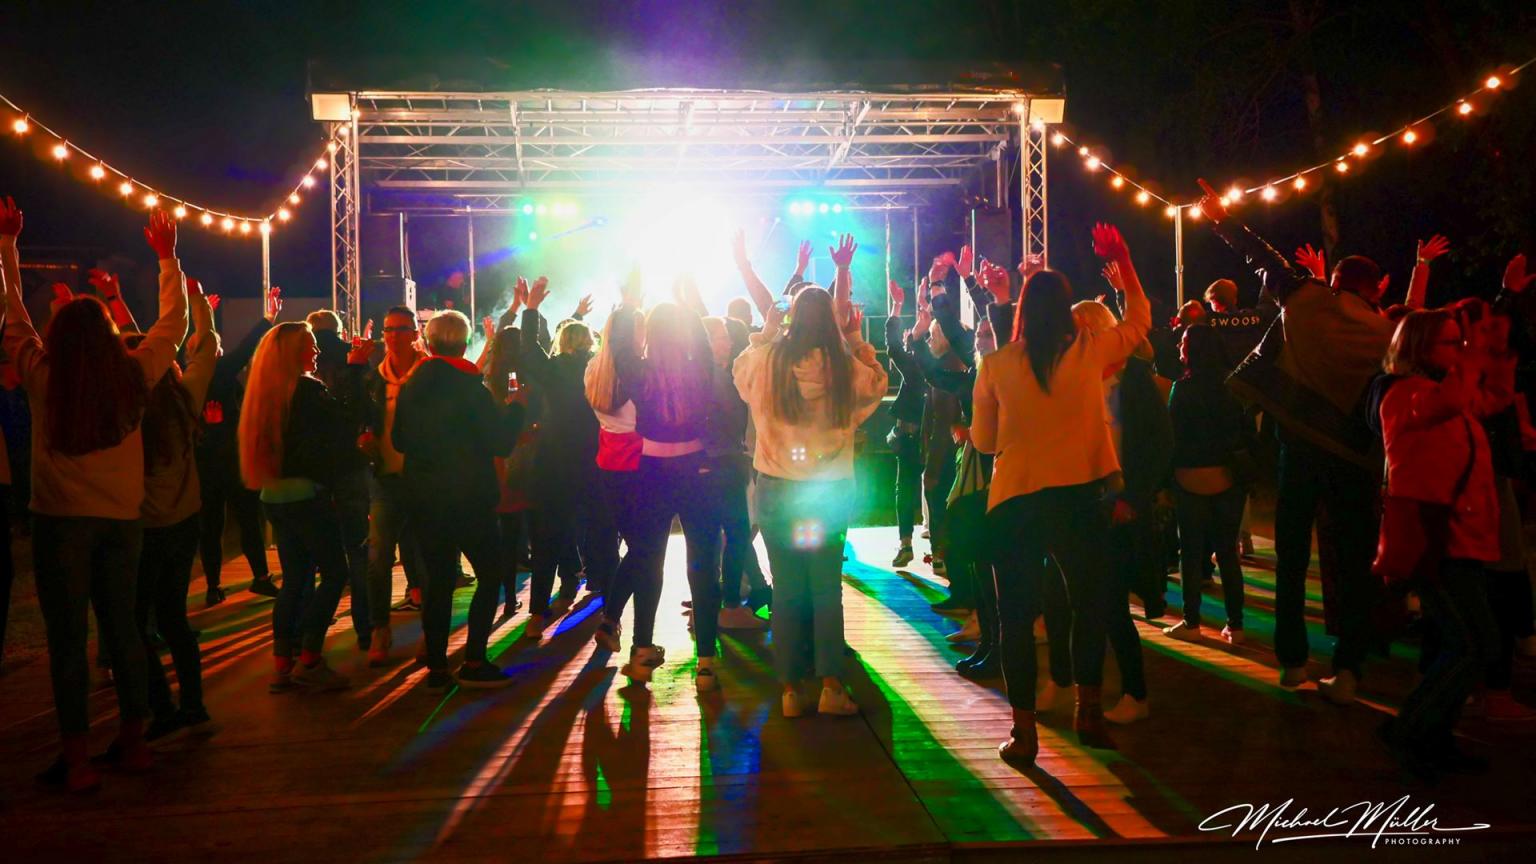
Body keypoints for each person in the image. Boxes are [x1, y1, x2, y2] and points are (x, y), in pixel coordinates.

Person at [2, 201, 188, 792]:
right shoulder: (134, 375)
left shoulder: (44, 377)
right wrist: (167, 259)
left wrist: (7, 247)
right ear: (109, 337)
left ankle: (78, 759)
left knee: (66, 641)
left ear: (58, 337)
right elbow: (174, 325)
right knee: (124, 630)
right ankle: (134, 745)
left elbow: (13, 316)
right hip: (122, 524)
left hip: (61, 523)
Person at [1197, 180, 1394, 693]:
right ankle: (1348, 668)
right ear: (1375, 290)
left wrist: (1222, 219)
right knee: (1352, 562)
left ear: (1335, 280)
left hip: (1298, 445)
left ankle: (1292, 662)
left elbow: (1265, 260)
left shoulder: (1305, 300)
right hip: (1353, 455)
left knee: (1291, 557)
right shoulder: (1384, 332)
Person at [971, 223, 1150, 765]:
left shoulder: (997, 364)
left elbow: (983, 441)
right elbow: (1140, 321)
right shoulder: (1090, 351)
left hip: (1016, 500)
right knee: (1089, 604)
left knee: (1017, 619)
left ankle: (1024, 733)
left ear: (1024, 311)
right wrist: (1125, 263)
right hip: (1078, 498)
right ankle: (1088, 711)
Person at [734, 234, 888, 716]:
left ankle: (788, 691)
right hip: (828, 493)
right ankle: (830, 687)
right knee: (825, 590)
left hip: (777, 490)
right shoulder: (843, 368)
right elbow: (877, 385)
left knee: (786, 590)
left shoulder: (769, 362)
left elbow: (739, 372)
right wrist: (856, 339)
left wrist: (764, 333)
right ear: (833, 323)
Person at [1375, 309, 1505, 778]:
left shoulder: (1438, 392)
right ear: (1420, 348)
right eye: (1451, 343)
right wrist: (1474, 353)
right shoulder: (1403, 393)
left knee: (1467, 642)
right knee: (1473, 644)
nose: (1459, 350)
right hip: (1437, 538)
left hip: (1459, 535)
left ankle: (1432, 735)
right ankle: (1411, 730)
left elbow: (1493, 399)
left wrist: (1498, 349)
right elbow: (1447, 405)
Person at [393, 310, 524, 689]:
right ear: (465, 345)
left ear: (429, 343)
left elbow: (399, 440)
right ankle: (474, 660)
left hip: (425, 498)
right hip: (469, 498)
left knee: (437, 582)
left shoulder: (412, 386)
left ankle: (437, 666)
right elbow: (501, 442)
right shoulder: (472, 390)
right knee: (490, 573)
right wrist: (516, 408)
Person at [240, 319, 367, 694]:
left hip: (274, 497)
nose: (317, 351)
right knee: (335, 574)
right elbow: (346, 426)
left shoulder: (264, 391)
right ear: (294, 352)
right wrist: (356, 370)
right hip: (307, 497)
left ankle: (282, 664)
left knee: (294, 581)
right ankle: (310, 658)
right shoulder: (308, 390)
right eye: (310, 345)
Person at [609, 291, 723, 690]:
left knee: (648, 561)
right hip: (696, 470)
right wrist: (687, 304)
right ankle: (706, 663)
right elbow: (704, 343)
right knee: (703, 566)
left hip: (651, 471)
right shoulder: (699, 369)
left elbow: (618, 346)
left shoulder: (638, 372)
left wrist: (629, 303)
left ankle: (642, 653)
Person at [134, 278, 220, 742]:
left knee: (135, 622)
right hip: (184, 522)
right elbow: (205, 350)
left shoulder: (124, 407)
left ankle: (160, 706)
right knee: (173, 618)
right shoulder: (185, 399)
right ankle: (193, 703)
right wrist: (199, 303)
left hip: (143, 528)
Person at [520, 279, 599, 638]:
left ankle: (538, 613)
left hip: (554, 461)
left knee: (547, 538)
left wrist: (531, 310)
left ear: (562, 343)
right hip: (594, 460)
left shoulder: (553, 370)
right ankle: (605, 607)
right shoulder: (598, 370)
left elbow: (530, 349)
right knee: (598, 531)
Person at [1164, 325, 1252, 645]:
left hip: (1189, 476)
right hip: (1227, 476)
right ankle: (1236, 625)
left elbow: (1172, 437)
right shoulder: (1234, 386)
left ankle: (1192, 622)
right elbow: (1247, 433)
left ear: (1192, 350)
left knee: (1190, 551)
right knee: (1227, 553)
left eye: (1184, 342)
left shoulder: (1182, 388)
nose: (1179, 346)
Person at [352, 305, 429, 665]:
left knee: (427, 557)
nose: (394, 336)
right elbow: (358, 417)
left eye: (401, 329)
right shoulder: (374, 379)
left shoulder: (427, 374)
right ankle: (380, 628)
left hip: (423, 477)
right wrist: (363, 437)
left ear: (415, 334)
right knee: (378, 556)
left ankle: (431, 630)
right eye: (389, 330)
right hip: (384, 477)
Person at [197, 288, 280, 603]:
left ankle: (213, 586)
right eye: (217, 344)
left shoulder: (190, 374)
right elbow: (246, 349)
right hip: (230, 458)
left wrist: (205, 315)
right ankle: (260, 577)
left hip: (204, 461)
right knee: (247, 518)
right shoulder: (219, 370)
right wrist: (268, 318)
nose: (221, 349)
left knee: (211, 524)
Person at [586, 287, 645, 653]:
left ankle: (613, 619)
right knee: (644, 549)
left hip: (609, 466)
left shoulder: (594, 369)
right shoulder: (638, 373)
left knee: (633, 546)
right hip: (640, 465)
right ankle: (614, 619)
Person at [883, 280, 927, 568]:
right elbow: (895, 346)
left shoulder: (916, 367)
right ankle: (934, 550)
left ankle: (907, 544)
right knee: (927, 490)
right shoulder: (931, 366)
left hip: (914, 437)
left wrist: (899, 306)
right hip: (922, 436)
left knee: (908, 489)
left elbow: (893, 346)